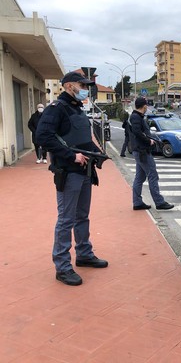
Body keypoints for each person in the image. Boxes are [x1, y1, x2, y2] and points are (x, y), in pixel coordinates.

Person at [36, 71, 109, 286]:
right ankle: (62, 266)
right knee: (66, 219)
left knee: (82, 216)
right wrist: (71, 155)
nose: (85, 88)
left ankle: (84, 254)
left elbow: (82, 138)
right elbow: (43, 137)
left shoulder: (77, 108)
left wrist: (97, 152)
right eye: (81, 84)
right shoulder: (55, 110)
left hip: (85, 172)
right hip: (68, 173)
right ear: (69, 86)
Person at [129, 97, 174, 211]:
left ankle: (137, 202)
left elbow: (139, 132)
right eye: (146, 106)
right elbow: (137, 132)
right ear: (144, 106)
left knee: (140, 177)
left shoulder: (137, 117)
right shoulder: (136, 117)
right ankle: (159, 202)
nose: (147, 108)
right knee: (153, 175)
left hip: (140, 150)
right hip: (142, 151)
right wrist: (148, 141)